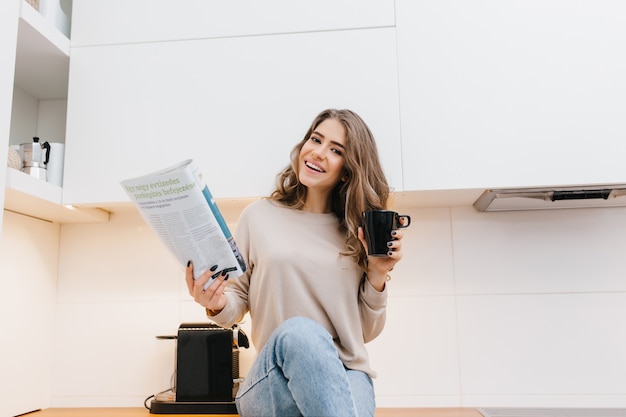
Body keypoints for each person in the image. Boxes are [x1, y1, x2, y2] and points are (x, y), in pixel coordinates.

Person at [185, 108, 407, 417]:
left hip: (346, 372)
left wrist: (377, 274)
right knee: (302, 332)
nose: (318, 153)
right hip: (271, 378)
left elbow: (364, 333)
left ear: (347, 169)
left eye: (335, 150)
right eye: (315, 140)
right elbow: (237, 301)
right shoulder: (258, 217)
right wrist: (216, 302)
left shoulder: (357, 232)